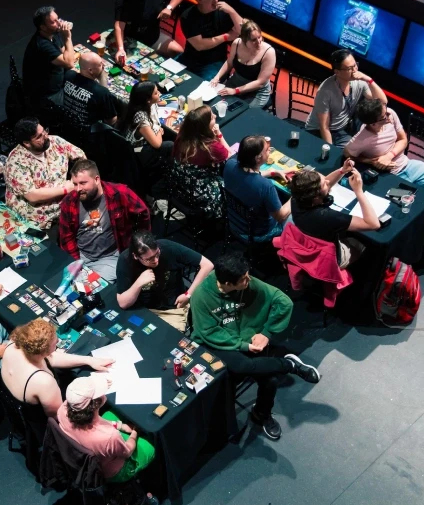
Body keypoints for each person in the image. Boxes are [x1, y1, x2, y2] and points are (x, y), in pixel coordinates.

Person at [190, 252, 322, 440]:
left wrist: (266, 333)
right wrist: (242, 345)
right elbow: (209, 333)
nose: (248, 280)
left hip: (248, 338)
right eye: (243, 279)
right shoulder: (202, 296)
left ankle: (262, 414)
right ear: (227, 284)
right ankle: (289, 365)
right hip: (216, 344)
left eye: (247, 275)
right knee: (241, 366)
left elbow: (283, 302)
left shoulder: (248, 282)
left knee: (270, 380)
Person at [0, 318, 113, 441]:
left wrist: (89, 360)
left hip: (19, 407)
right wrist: (95, 387)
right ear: (44, 351)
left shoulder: (13, 344)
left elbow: (51, 359)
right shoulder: (43, 382)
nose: (58, 341)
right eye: (55, 343)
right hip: (41, 421)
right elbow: (60, 417)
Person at [346, 99, 424, 211]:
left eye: (386, 110)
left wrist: (389, 156)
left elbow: (403, 139)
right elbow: (347, 154)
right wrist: (371, 161)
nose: (389, 114)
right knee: (404, 209)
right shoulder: (361, 139)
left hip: (410, 166)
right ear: (373, 123)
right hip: (393, 178)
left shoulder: (391, 114)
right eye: (385, 115)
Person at [58, 159, 150, 283]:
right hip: (82, 255)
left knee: (90, 288)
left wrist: (139, 243)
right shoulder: (69, 202)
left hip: (110, 256)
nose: (78, 189)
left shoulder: (119, 193)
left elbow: (143, 213)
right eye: (75, 184)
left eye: (83, 183)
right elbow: (66, 237)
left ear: (96, 180)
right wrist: (75, 262)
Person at [58, 376, 156, 482]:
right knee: (150, 447)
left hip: (88, 449)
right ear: (96, 404)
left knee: (110, 414)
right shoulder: (110, 436)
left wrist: (120, 426)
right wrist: (135, 432)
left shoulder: (62, 411)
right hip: (113, 470)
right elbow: (127, 451)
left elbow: (97, 421)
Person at [116, 231, 213, 332]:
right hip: (142, 308)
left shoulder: (168, 247)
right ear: (136, 256)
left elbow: (207, 265)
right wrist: (138, 283)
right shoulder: (125, 260)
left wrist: (188, 294)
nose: (156, 260)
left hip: (171, 310)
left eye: (157, 254)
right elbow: (123, 303)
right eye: (149, 259)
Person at [288, 162, 380, 268]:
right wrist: (359, 191)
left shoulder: (297, 197)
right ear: (316, 198)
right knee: (361, 245)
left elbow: (322, 186)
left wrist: (342, 171)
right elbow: (373, 224)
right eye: (324, 184)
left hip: (306, 243)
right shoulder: (327, 217)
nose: (327, 181)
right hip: (328, 257)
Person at [5, 117, 86, 229]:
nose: (46, 136)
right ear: (27, 143)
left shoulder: (55, 141)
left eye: (44, 131)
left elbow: (81, 157)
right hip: (35, 216)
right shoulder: (16, 161)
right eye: (39, 137)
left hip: (63, 205)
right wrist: (65, 189)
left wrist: (76, 179)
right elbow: (32, 195)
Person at [305, 49, 388, 147]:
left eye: (355, 65)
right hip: (317, 131)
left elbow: (382, 102)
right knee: (339, 156)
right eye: (349, 68)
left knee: (355, 152)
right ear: (337, 72)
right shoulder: (325, 91)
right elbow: (324, 127)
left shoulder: (359, 81)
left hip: (340, 130)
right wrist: (330, 150)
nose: (354, 71)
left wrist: (369, 80)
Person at [223, 135, 291, 242]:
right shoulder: (266, 186)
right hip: (258, 233)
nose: (270, 151)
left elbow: (246, 176)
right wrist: (295, 195)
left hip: (233, 221)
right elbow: (280, 216)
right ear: (258, 158)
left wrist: (273, 172)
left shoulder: (230, 164)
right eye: (267, 150)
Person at [111, 0, 184, 62]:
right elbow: (119, 26)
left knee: (179, 52)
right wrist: (121, 48)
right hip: (131, 40)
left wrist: (169, 8)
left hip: (154, 37)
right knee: (127, 66)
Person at [170, 106, 229, 218]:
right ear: (205, 126)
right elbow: (229, 154)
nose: (215, 116)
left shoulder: (182, 136)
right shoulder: (211, 147)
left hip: (178, 184)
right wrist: (219, 134)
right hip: (198, 194)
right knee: (231, 184)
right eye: (212, 117)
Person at [178, 0, 242, 78]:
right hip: (190, 58)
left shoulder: (224, 11)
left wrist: (232, 11)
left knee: (206, 88)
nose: (215, 0)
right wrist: (226, 37)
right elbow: (200, 45)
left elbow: (243, 30)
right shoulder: (188, 16)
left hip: (214, 62)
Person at [210, 20, 276, 109]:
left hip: (256, 91)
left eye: (259, 37)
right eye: (253, 40)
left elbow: (260, 83)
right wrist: (217, 77)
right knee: (217, 103)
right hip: (236, 82)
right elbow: (229, 62)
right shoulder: (237, 43)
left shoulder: (269, 52)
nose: (259, 41)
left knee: (240, 112)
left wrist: (235, 91)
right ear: (244, 40)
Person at [121, 81, 175, 189]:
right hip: (138, 151)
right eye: (155, 93)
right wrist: (159, 131)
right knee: (170, 145)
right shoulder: (140, 116)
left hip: (147, 137)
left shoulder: (148, 104)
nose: (159, 93)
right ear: (147, 99)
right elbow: (157, 144)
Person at [22, 6, 76, 109]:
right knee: (80, 104)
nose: (59, 23)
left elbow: (64, 52)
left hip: (58, 81)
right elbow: (69, 63)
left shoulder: (52, 34)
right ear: (43, 27)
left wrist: (66, 44)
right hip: (47, 95)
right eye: (53, 22)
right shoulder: (42, 45)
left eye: (57, 19)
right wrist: (68, 38)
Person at [62, 52, 118, 126]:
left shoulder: (68, 75)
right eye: (100, 64)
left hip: (65, 122)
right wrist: (102, 77)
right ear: (90, 70)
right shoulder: (101, 92)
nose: (103, 66)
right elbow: (111, 121)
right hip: (86, 131)